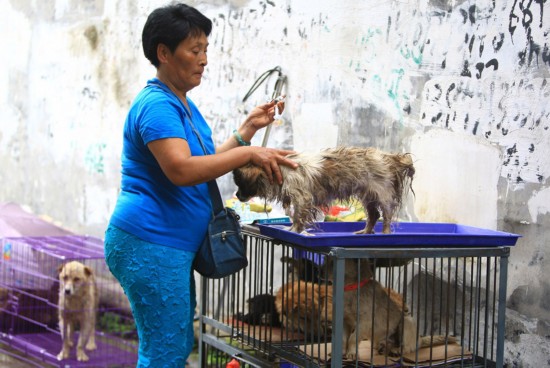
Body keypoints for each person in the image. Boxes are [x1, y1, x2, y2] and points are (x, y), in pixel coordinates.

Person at [103, 3, 296, 367]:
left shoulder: (180, 103)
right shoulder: (157, 106)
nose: (204, 59)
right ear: (164, 52)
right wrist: (247, 155)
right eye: (195, 50)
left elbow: (202, 164)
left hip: (166, 244)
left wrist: (245, 133)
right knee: (165, 350)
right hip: (149, 242)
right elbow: (181, 170)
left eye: (205, 49)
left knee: (171, 344)